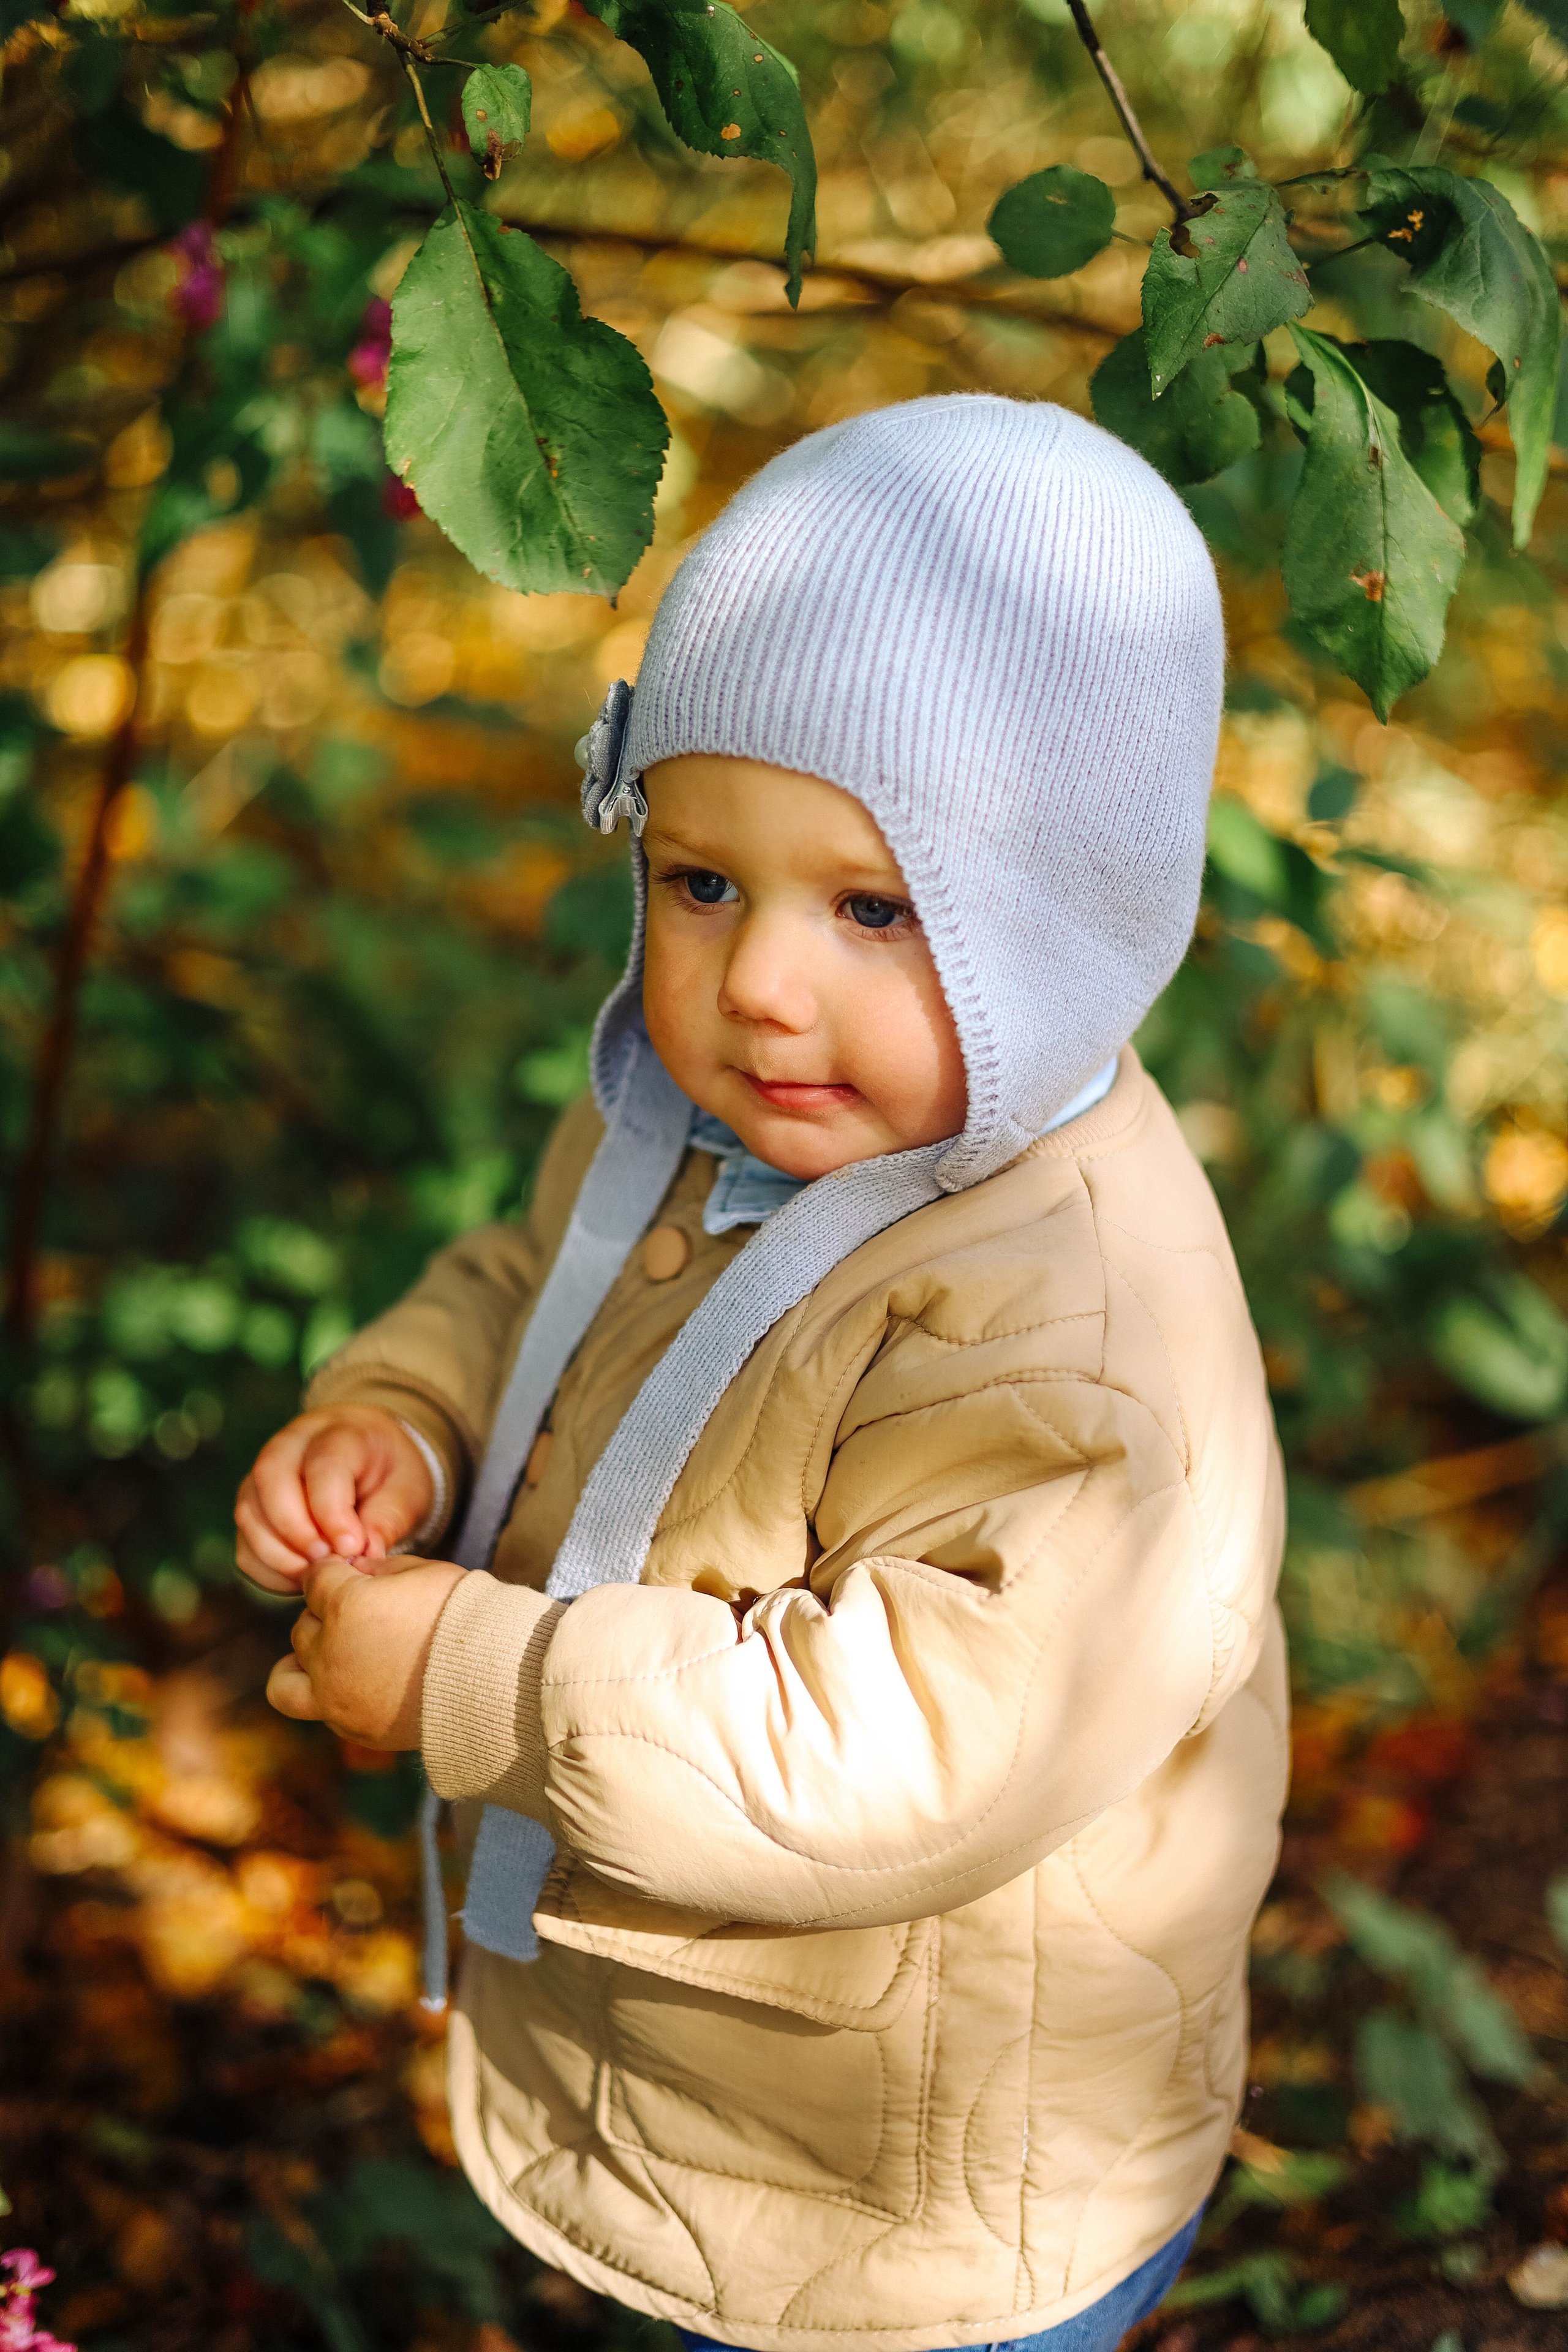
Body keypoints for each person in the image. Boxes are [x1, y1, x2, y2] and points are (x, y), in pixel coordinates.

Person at [243, 395, 1288, 2352]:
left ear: (1070, 918)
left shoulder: (1070, 1305)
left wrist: (474, 1670)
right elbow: (530, 1289)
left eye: (876, 910)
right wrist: (407, 1420)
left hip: (925, 2193)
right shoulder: (717, 1116)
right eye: (702, 883)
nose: (758, 986)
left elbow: (907, 1750)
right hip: (737, 2105)